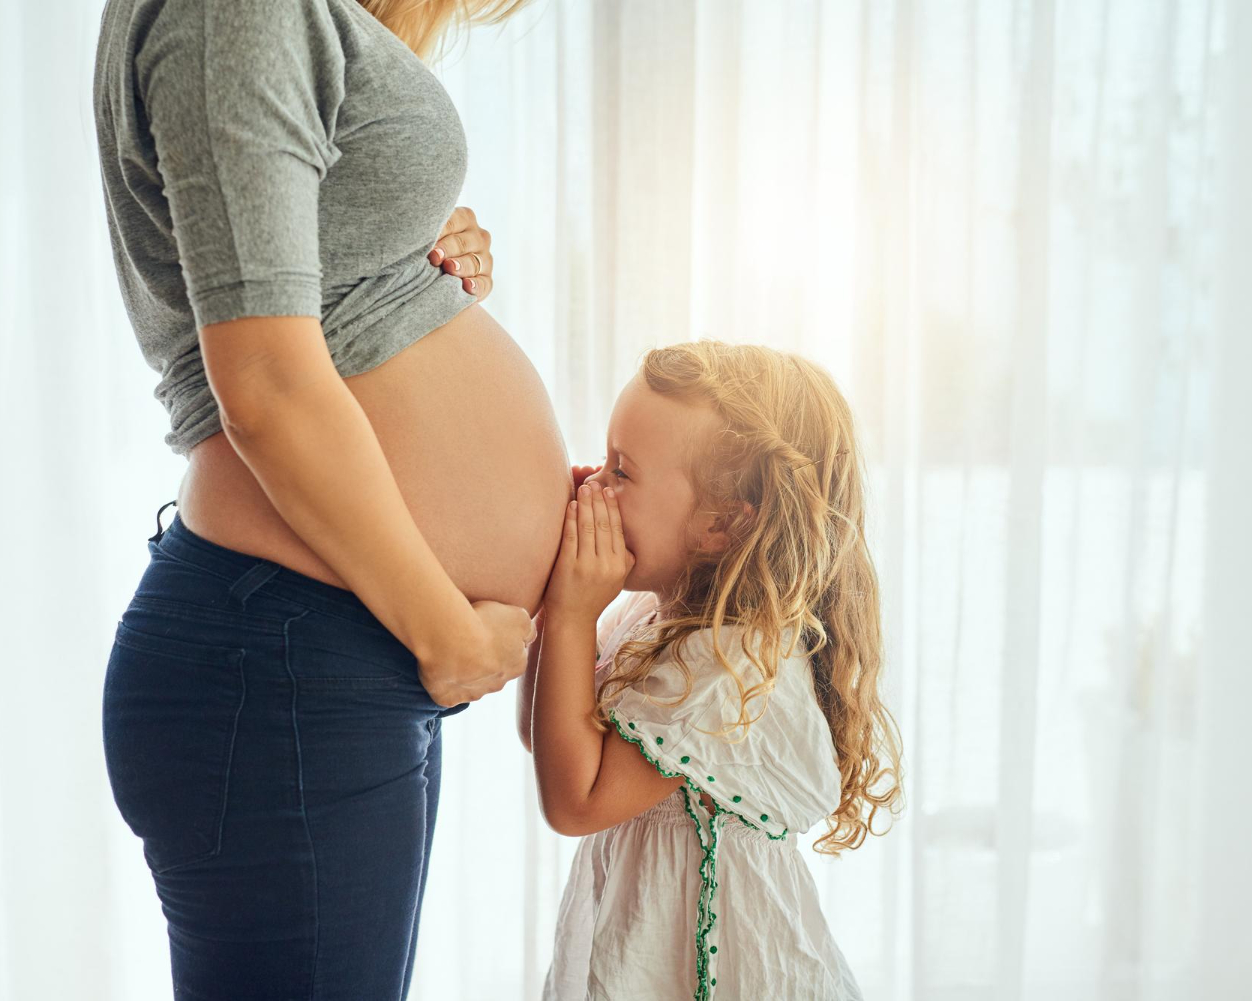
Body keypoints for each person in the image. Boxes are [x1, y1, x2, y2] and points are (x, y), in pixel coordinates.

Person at [91, 0, 565, 997]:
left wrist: (416, 249)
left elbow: (292, 293)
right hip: (291, 659)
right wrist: (446, 633)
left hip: (321, 649)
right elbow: (264, 385)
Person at [522, 341, 905, 1000]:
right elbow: (548, 735)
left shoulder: (727, 667)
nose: (595, 485)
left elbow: (574, 799)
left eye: (622, 469)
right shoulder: (647, 617)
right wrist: (563, 612)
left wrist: (572, 611)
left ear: (720, 523)